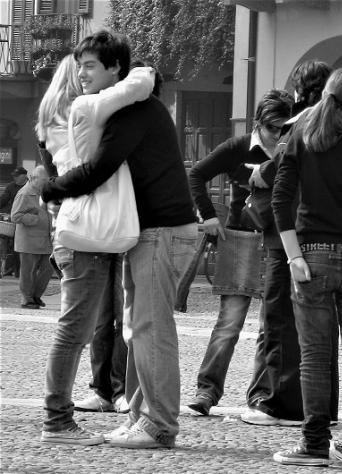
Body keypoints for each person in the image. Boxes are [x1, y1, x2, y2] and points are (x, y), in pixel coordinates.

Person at [41, 30, 197, 449]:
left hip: (163, 231)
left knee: (150, 329)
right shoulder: (129, 107)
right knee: (137, 329)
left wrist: (50, 189)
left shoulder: (135, 111)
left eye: (91, 65)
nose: (82, 74)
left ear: (115, 68)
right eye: (79, 66)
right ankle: (141, 417)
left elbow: (99, 168)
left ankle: (159, 425)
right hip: (148, 233)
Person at [272, 67, 342, 467]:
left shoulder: (299, 137)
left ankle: (315, 444)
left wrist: (293, 256)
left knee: (316, 356)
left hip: (312, 256)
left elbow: (280, 200)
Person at [241, 60, 340, 426]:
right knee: (320, 325)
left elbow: (278, 170)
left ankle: (279, 403)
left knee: (281, 317)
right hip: (325, 235)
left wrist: (258, 175)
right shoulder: (340, 127)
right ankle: (322, 406)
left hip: (288, 234)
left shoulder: (299, 123)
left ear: (299, 91)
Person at [187, 89, 294, 417]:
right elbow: (196, 174)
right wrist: (208, 217)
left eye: (284, 128)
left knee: (271, 326)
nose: (278, 135)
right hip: (240, 240)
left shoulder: (292, 150)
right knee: (230, 322)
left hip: (278, 242)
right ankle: (206, 390)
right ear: (258, 123)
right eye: (272, 128)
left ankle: (261, 397)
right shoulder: (237, 147)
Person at [75, 58, 163, 416]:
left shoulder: (143, 122)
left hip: (133, 229)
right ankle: (102, 388)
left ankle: (119, 389)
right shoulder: (106, 118)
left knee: (126, 318)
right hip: (104, 227)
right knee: (104, 316)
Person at [10, 166, 52, 309]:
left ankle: (36, 296)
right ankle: (27, 299)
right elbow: (15, 216)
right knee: (29, 271)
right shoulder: (25, 193)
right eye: (44, 180)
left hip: (45, 239)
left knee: (48, 268)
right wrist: (33, 219)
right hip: (29, 240)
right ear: (33, 179)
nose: (47, 182)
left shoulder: (44, 192)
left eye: (48, 180)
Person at [0, 166, 28, 277]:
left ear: (24, 176)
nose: (15, 178)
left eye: (17, 176)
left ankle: (18, 271)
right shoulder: (11, 186)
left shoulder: (30, 187)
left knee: (19, 245)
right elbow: (3, 199)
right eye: (14, 176)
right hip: (11, 220)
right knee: (5, 241)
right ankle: (6, 267)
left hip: (23, 220)